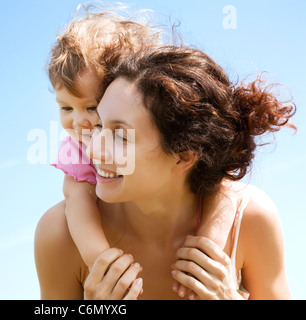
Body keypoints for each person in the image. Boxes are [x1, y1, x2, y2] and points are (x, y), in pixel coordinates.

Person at [35, 43, 295, 299]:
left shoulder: (249, 220)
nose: (93, 150)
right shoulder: (60, 234)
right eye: (99, 125)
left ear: (183, 157)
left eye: (121, 137)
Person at [45, 8, 241, 299]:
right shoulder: (56, 233)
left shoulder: (250, 221)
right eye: (65, 108)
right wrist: (100, 261)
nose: (81, 124)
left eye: (93, 110)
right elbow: (77, 200)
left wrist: (209, 244)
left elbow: (225, 187)